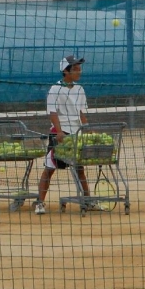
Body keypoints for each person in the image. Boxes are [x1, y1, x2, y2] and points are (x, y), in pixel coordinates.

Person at [33, 55, 90, 215]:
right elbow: (53, 113)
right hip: (60, 134)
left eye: (80, 68)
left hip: (76, 133)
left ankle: (88, 200)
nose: (79, 71)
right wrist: (58, 131)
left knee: (79, 168)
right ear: (66, 71)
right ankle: (40, 202)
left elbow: (82, 113)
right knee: (49, 169)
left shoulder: (80, 89)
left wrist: (87, 129)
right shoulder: (55, 89)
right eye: (76, 68)